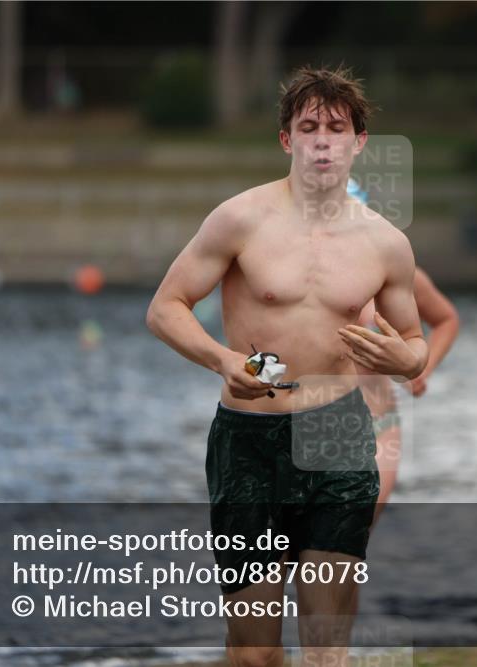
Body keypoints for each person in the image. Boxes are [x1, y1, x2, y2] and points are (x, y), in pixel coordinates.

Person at [146, 66, 428, 667]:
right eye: (308, 127)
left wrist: (407, 358)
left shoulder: (386, 244)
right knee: (255, 654)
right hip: (249, 438)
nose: (322, 140)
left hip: (337, 435)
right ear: (286, 140)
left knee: (327, 650)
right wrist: (222, 359)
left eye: (335, 127)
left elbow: (413, 340)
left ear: (358, 143)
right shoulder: (239, 219)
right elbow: (165, 308)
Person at [346, 179, 460, 523]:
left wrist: (423, 366)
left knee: (347, 548)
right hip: (310, 426)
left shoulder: (398, 275)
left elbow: (446, 319)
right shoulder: (299, 279)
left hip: (378, 428)